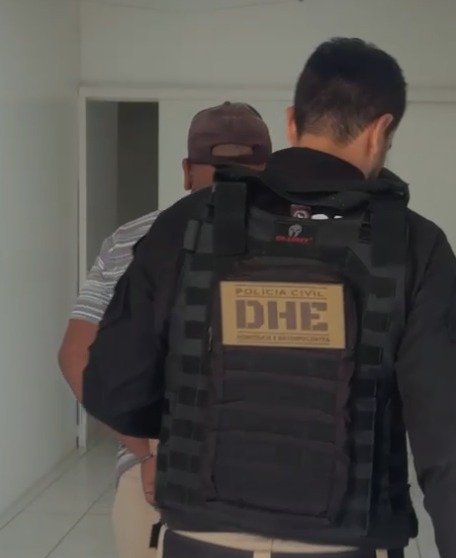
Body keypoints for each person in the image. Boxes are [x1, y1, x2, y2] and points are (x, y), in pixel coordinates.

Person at [82, 39, 456, 558]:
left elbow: (113, 390)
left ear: (290, 122)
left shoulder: (186, 225)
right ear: (381, 130)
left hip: (201, 542)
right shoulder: (415, 246)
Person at [58, 101, 272, 558]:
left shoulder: (134, 239)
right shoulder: (302, 238)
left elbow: (76, 356)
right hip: (277, 472)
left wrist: (148, 452)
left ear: (188, 171)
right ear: (268, 171)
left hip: (156, 472)